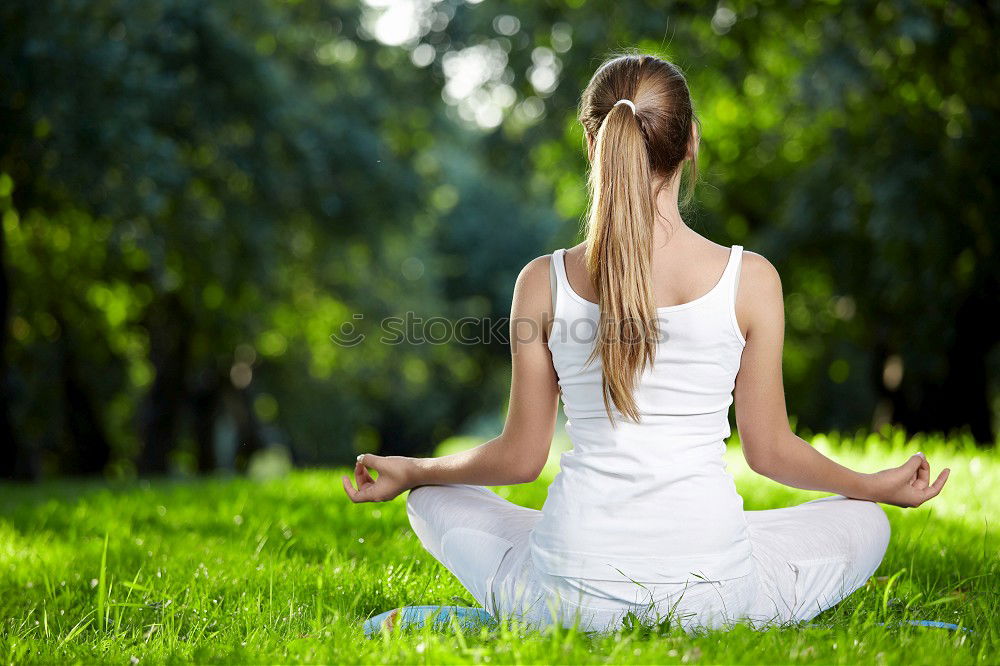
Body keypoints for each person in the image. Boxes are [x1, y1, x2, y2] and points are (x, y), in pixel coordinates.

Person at [342, 53, 950, 633]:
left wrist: (415, 469)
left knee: (429, 499)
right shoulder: (752, 279)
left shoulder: (543, 281)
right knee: (863, 521)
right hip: (715, 592)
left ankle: (533, 587)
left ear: (592, 143)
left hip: (565, 595)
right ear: (691, 143)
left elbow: (521, 458)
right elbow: (770, 452)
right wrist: (873, 486)